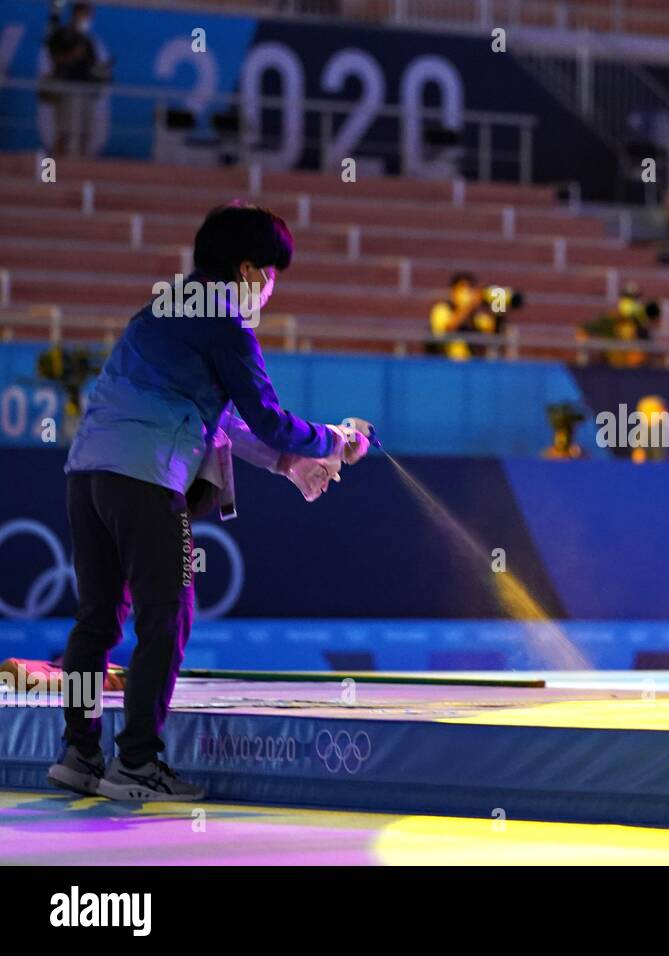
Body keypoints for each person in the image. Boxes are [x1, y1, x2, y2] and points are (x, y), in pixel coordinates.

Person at [47, 203, 372, 802]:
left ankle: (78, 752)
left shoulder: (163, 308)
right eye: (272, 275)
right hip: (145, 480)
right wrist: (336, 440)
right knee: (166, 614)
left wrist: (289, 463)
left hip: (87, 473)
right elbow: (267, 419)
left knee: (96, 617)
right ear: (249, 270)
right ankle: (137, 762)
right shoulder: (227, 324)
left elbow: (223, 419)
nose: (272, 289)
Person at [43, 2, 111, 157]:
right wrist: (72, 56)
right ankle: (52, 174)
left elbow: (92, 65)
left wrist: (101, 72)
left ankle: (77, 169)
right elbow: (52, 57)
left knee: (85, 132)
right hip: (67, 87)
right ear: (77, 14)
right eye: (86, 15)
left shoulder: (87, 40)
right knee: (64, 131)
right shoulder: (62, 34)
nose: (88, 19)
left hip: (85, 89)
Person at [426, 272, 505, 360]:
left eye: (470, 289)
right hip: (445, 364)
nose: (466, 293)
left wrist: (499, 304)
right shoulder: (442, 309)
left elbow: (494, 332)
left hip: (471, 366)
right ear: (453, 292)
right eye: (462, 289)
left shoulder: (476, 316)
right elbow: (448, 328)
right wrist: (469, 306)